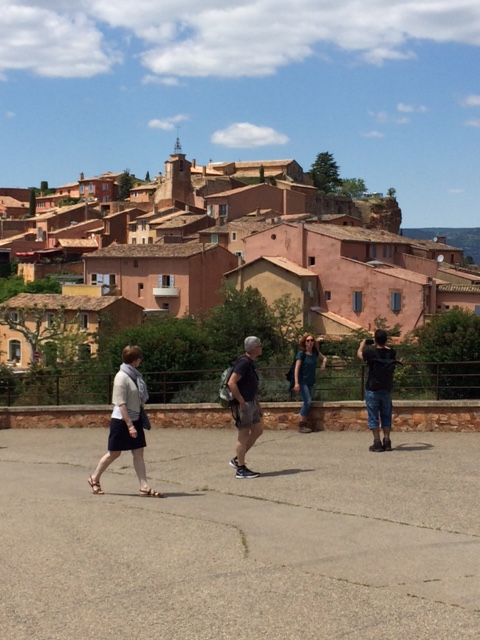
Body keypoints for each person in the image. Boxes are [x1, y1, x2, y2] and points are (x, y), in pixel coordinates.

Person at [88, 345, 164, 497]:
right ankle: (94, 478)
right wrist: (130, 426)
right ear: (135, 360)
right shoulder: (121, 377)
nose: (140, 361)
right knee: (114, 453)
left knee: (138, 452)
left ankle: (144, 486)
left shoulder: (135, 376)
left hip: (135, 418)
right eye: (139, 358)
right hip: (121, 421)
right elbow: (120, 403)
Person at [227, 336, 263, 479]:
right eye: (259, 346)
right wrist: (241, 402)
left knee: (258, 430)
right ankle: (240, 469)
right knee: (243, 435)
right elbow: (232, 382)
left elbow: (249, 386)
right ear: (253, 348)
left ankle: (237, 459)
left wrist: (257, 404)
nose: (261, 348)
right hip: (244, 404)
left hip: (251, 402)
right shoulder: (244, 362)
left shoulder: (250, 362)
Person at [357, 329, 397, 452]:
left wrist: (362, 345)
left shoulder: (370, 353)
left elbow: (359, 354)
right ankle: (387, 441)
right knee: (386, 415)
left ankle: (377, 442)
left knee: (373, 416)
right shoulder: (391, 353)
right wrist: (381, 343)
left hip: (372, 389)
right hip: (386, 389)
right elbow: (389, 350)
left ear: (375, 339)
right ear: (385, 340)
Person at [293, 334, 327, 433]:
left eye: (312, 340)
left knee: (308, 401)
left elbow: (324, 358)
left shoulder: (315, 353)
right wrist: (296, 383)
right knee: (307, 401)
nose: (310, 342)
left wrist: (323, 364)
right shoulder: (301, 354)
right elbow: (296, 369)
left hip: (311, 381)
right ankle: (301, 423)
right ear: (304, 342)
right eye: (307, 340)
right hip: (302, 381)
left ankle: (305, 422)